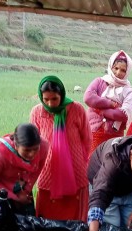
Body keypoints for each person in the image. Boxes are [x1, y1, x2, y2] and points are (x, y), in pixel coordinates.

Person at [30, 76, 92, 221]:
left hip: (75, 170)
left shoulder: (76, 109)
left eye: (54, 99)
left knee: (75, 218)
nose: (50, 104)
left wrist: (80, 160)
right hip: (48, 171)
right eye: (46, 99)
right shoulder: (37, 112)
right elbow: (34, 142)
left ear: (61, 95)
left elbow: (87, 139)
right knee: (48, 217)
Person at [84, 50, 132, 153]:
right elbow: (88, 98)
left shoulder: (129, 91)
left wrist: (102, 111)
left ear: (127, 72)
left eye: (123, 70)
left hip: (114, 136)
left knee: (109, 163)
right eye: (116, 68)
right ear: (110, 67)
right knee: (91, 163)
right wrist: (110, 104)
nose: (118, 73)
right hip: (92, 132)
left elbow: (124, 114)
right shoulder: (99, 82)